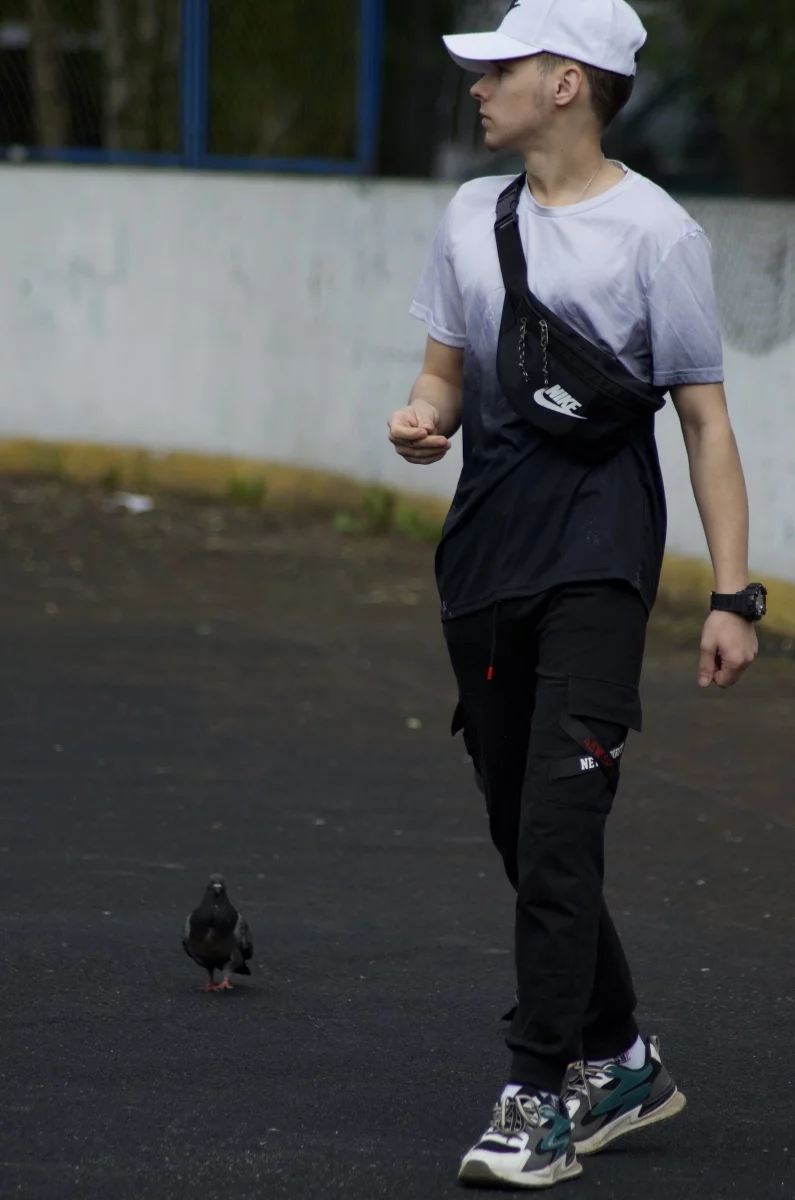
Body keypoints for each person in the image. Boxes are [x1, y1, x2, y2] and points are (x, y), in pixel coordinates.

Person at [387, 0, 764, 1189]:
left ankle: (537, 1098)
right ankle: (624, 1057)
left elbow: (704, 423)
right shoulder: (470, 216)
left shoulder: (658, 235)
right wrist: (423, 419)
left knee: (559, 829)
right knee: (523, 831)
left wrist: (734, 595)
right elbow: (445, 375)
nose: (478, 85)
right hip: (483, 560)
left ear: (567, 82)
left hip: (600, 559)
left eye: (499, 68)